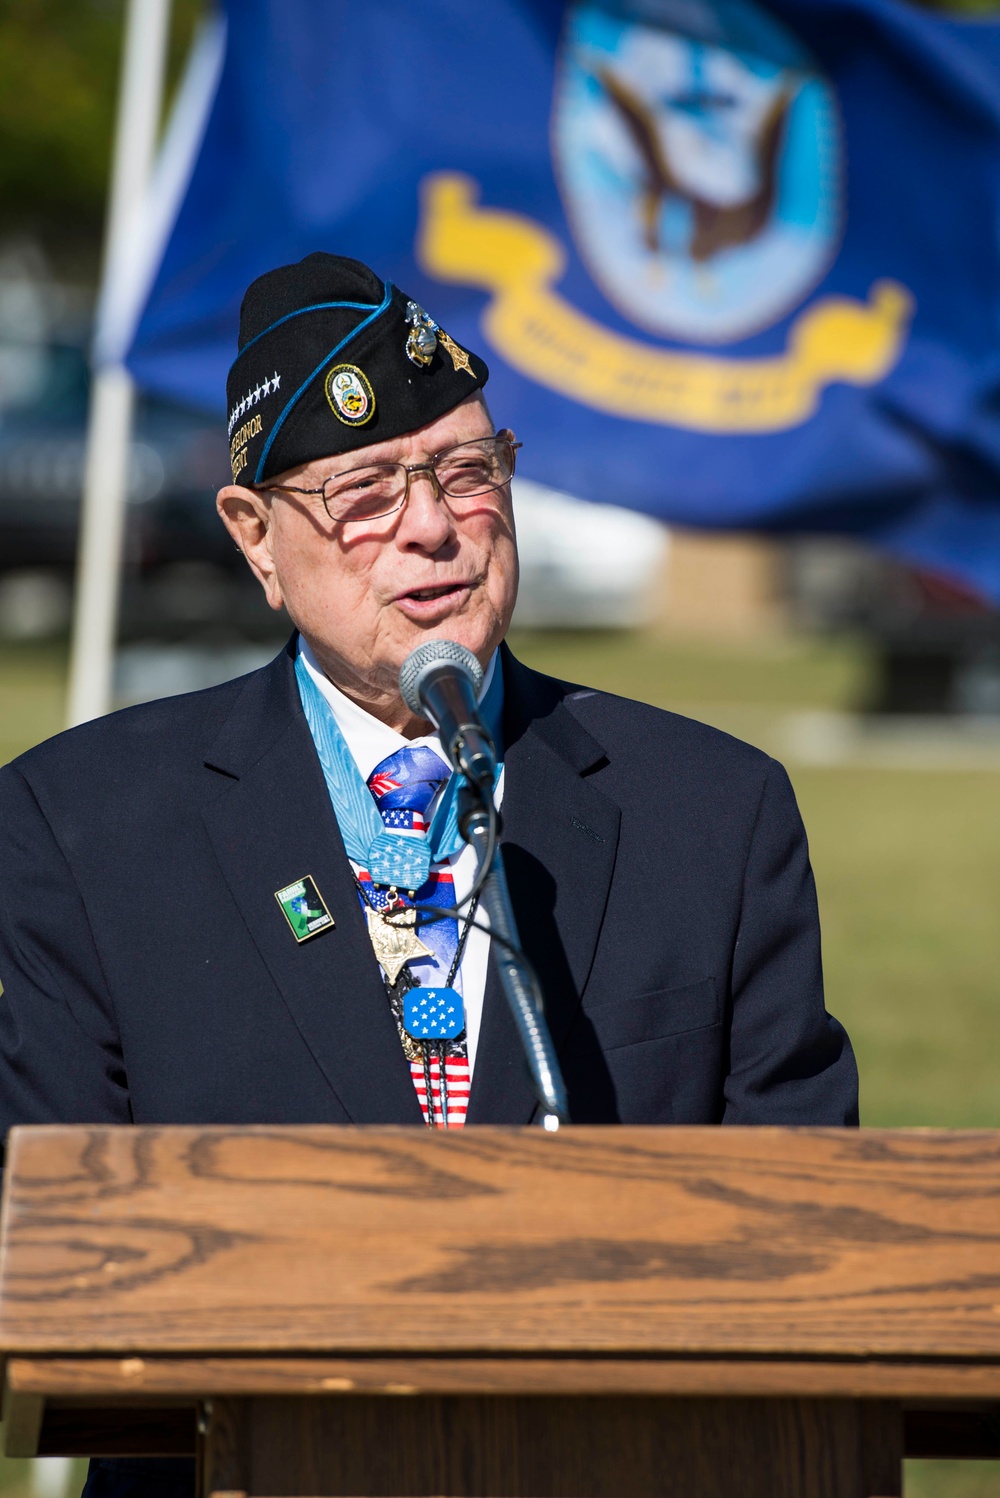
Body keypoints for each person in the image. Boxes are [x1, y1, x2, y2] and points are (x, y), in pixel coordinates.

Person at [0, 254, 857, 1497]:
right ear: (255, 538)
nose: (434, 525)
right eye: (361, 492)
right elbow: (60, 1238)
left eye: (468, 470)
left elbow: (814, 1227)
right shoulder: (87, 824)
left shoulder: (712, 814)